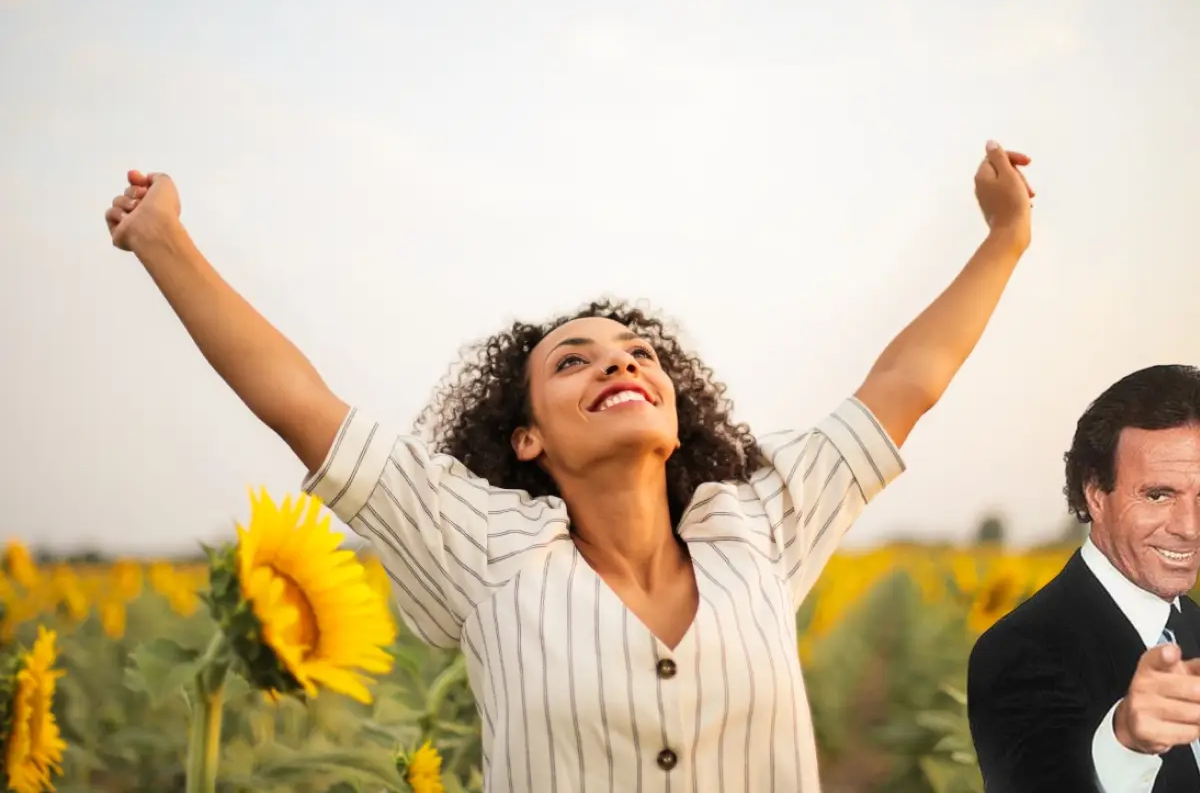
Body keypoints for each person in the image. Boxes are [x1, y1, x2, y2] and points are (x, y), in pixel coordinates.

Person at [104, 140, 1034, 793]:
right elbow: (299, 405)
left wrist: (1003, 240)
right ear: (527, 438)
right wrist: (163, 238)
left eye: (637, 354)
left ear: (677, 415)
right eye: (573, 361)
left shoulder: (759, 524)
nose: (620, 364)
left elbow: (907, 382)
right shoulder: (482, 549)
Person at [968, 365, 1200, 793]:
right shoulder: (1017, 653)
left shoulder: (1195, 625)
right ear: (1096, 494)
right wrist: (1126, 743)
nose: (1189, 527)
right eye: (1158, 495)